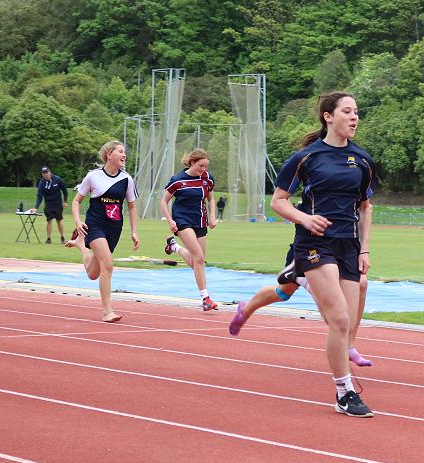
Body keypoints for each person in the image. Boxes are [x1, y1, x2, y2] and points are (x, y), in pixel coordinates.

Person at [268, 91, 377, 417]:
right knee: (340, 318)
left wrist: (364, 248)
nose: (354, 117)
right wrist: (304, 219)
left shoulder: (362, 160)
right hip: (315, 243)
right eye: (347, 111)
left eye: (356, 112)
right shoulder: (306, 157)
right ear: (328, 116)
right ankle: (344, 392)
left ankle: (297, 275)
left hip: (348, 245)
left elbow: (365, 207)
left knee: (343, 323)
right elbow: (278, 201)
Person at [229, 235, 374, 368]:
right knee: (330, 314)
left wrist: (364, 251)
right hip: (313, 251)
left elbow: (362, 218)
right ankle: (249, 307)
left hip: (344, 248)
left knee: (284, 293)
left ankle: (349, 345)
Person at [65, 140, 139, 322]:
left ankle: (81, 246)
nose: (124, 155)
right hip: (95, 224)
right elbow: (76, 201)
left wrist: (134, 231)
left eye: (124, 152)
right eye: (120, 151)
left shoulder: (127, 179)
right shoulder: (93, 176)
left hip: (114, 227)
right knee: (108, 264)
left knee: (93, 273)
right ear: (109, 154)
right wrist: (78, 221)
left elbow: (131, 206)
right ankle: (107, 312)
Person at [160, 149, 219, 313]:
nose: (203, 169)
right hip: (182, 219)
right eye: (201, 165)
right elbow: (164, 201)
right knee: (199, 258)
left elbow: (211, 199)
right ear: (192, 163)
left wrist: (212, 217)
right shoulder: (178, 180)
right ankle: (206, 299)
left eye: (206, 166)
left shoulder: (207, 178)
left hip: (200, 220)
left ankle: (174, 247)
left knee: (197, 262)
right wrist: (170, 220)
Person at [34, 166, 68, 244]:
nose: (46, 174)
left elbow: (64, 190)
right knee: (49, 220)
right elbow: (39, 196)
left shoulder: (57, 179)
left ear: (49, 172)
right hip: (48, 204)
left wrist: (65, 201)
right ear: (42, 174)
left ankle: (62, 237)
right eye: (44, 173)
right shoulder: (41, 183)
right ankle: (48, 238)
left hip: (58, 203)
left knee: (59, 220)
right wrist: (36, 207)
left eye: (47, 172)